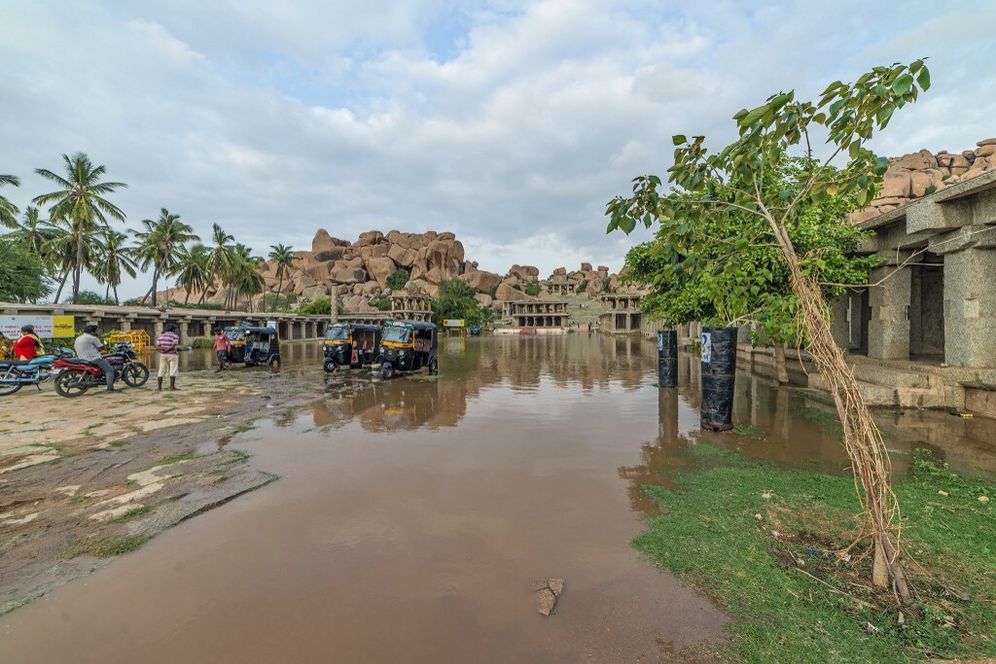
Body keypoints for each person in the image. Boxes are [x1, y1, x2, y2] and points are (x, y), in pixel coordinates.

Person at [74, 324, 116, 392]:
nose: (97, 332)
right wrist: (100, 337)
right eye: (96, 331)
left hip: (82, 359)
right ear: (92, 331)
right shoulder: (92, 338)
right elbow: (101, 347)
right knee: (109, 370)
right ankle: (110, 388)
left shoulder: (78, 338)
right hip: (94, 358)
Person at [156, 323, 181, 391]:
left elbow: (157, 347)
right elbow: (174, 346)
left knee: (161, 370)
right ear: (173, 329)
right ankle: (172, 387)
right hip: (173, 355)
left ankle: (159, 387)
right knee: (173, 370)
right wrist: (168, 349)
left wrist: (162, 351)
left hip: (163, 355)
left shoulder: (160, 336)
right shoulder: (175, 336)